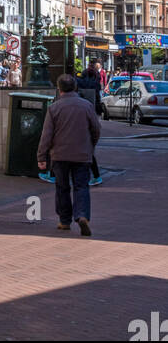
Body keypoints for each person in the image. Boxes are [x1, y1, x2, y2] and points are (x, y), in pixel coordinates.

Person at [37, 73, 101, 236]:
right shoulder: (86, 106)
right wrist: (90, 145)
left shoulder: (54, 108)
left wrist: (42, 157)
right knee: (81, 186)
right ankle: (82, 215)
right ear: (75, 87)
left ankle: (64, 221)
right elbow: (96, 129)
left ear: (59, 89)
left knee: (62, 187)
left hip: (60, 155)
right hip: (82, 154)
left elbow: (46, 135)